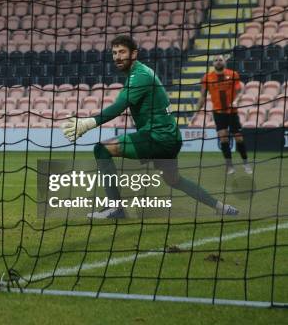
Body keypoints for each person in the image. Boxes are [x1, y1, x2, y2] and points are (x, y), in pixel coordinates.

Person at [62, 35, 239, 218]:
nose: (117, 57)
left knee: (102, 150)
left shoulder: (140, 76)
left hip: (157, 136)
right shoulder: (139, 73)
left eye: (122, 52)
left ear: (134, 53)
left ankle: (116, 208)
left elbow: (118, 106)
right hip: (170, 138)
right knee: (174, 180)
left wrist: (86, 124)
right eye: (114, 53)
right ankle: (221, 207)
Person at [191, 54, 252, 175]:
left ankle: (246, 163)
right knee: (223, 137)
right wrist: (196, 112)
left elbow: (240, 91)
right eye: (216, 60)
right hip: (218, 113)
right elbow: (202, 96)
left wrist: (236, 100)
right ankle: (229, 166)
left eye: (220, 60)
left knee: (239, 138)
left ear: (225, 62)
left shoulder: (233, 74)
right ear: (213, 63)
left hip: (232, 112)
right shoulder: (207, 77)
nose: (218, 62)